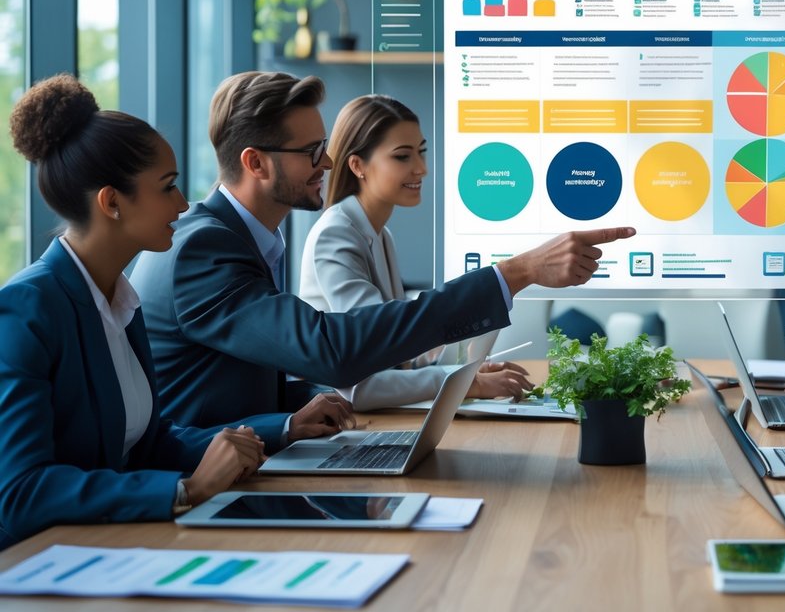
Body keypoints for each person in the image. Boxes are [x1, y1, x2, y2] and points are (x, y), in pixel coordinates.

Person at [130, 71, 632, 441]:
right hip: (200, 479)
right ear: (255, 162)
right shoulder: (203, 246)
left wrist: (293, 411)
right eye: (311, 151)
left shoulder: (251, 238)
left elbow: (244, 375)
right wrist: (515, 273)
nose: (325, 161)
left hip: (249, 453)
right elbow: (332, 350)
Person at [0, 75, 264, 547]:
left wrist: (261, 436)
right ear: (112, 202)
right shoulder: (27, 309)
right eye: (168, 187)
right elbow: (21, 493)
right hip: (35, 572)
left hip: (113, 545)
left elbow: (147, 443)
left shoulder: (119, 298)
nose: (183, 205)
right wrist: (186, 490)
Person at [299, 95, 533, 409]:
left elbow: (396, 352)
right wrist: (467, 383)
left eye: (421, 152)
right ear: (358, 165)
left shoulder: (379, 234)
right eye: (402, 157)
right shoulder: (336, 235)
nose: (421, 169)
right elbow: (360, 381)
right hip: (342, 419)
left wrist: (468, 372)